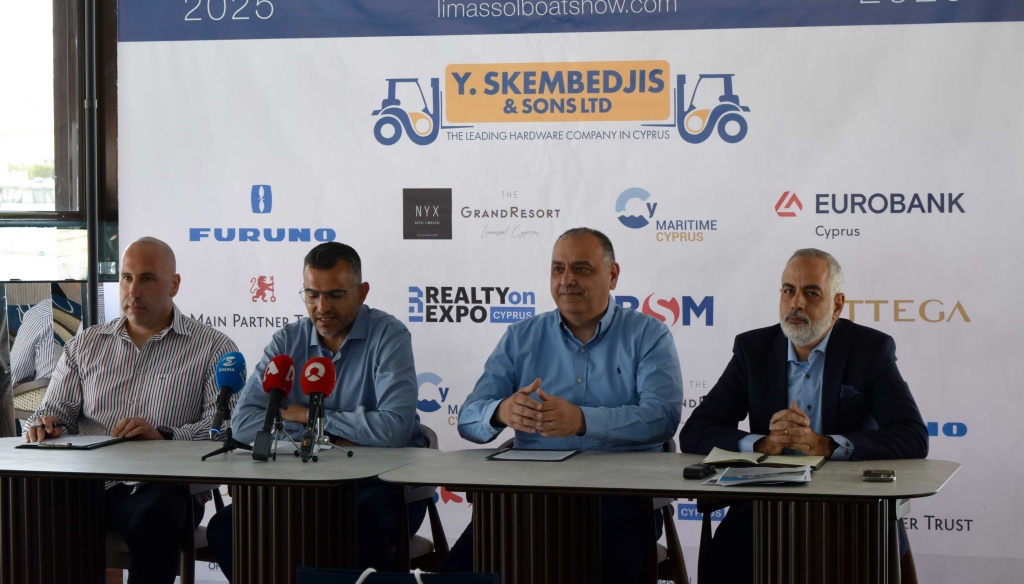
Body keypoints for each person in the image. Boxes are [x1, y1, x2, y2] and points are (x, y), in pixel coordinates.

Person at [445, 227, 683, 584]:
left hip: (618, 497)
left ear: (613, 275)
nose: (567, 280)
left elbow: (661, 418)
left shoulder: (648, 335)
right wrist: (500, 411)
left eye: (581, 269)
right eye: (558, 269)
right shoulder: (521, 337)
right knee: (456, 573)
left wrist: (582, 421)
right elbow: (468, 418)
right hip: (529, 498)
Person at [679, 248, 928, 582]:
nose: (796, 303)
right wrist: (762, 444)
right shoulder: (753, 350)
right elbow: (696, 430)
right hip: (766, 504)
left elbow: (913, 435)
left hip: (850, 503)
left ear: (837, 305)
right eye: (788, 291)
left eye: (811, 293)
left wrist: (829, 445)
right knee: (726, 560)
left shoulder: (870, 350)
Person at [25, 237, 239, 584]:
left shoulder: (214, 348)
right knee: (24, 506)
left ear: (174, 284)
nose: (133, 291)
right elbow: (53, 412)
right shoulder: (86, 344)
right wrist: (45, 425)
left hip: (162, 486)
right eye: (126, 277)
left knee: (157, 514)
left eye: (147, 278)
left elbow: (226, 429)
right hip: (87, 483)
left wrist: (166, 436)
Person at [206, 241, 425, 580]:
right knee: (226, 527)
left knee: (352, 525)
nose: (322, 307)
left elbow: (394, 429)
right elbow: (245, 421)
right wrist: (327, 437)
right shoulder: (287, 340)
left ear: (362, 293)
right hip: (302, 485)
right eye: (312, 295)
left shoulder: (389, 336)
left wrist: (309, 417)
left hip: (379, 485)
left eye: (335, 295)